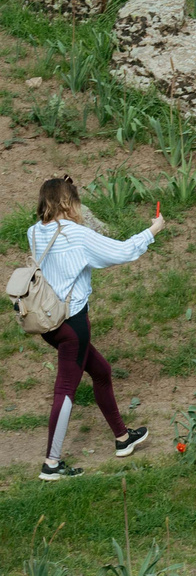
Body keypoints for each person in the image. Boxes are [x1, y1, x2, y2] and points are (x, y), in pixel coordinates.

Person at [22, 176, 156, 481]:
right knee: (65, 389)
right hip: (73, 324)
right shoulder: (76, 235)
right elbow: (122, 252)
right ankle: (52, 463)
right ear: (69, 202)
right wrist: (152, 230)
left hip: (48, 323)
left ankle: (123, 438)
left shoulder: (34, 232)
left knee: (101, 371)